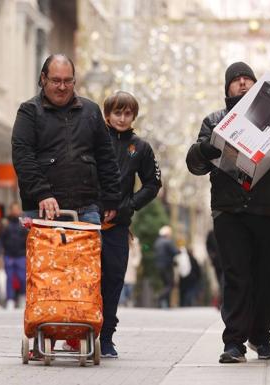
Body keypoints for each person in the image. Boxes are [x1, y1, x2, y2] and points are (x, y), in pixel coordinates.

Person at [186, 61, 270, 363]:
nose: (242, 83)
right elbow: (195, 163)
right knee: (237, 274)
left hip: (269, 209)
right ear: (227, 88)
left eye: (248, 79)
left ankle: (261, 337)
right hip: (229, 211)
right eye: (236, 80)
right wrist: (205, 148)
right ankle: (234, 342)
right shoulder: (215, 120)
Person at [11, 54, 121, 357]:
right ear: (43, 79)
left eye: (68, 81)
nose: (62, 87)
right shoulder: (29, 112)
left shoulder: (90, 111)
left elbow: (106, 158)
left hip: (86, 206)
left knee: (85, 276)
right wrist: (42, 193)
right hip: (43, 209)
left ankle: (78, 331)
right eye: (56, 80)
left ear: (75, 81)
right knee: (45, 277)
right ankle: (39, 336)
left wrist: (111, 198)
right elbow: (23, 157)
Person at [98, 90, 161, 358]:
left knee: (113, 281)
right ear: (107, 115)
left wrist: (129, 205)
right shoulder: (94, 141)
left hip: (118, 226)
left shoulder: (141, 148)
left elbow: (153, 183)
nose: (122, 118)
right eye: (117, 112)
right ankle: (78, 333)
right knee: (87, 280)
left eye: (127, 113)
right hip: (89, 221)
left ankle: (106, 338)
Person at [0, 203, 27, 310]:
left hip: (21, 255)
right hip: (8, 255)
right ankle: (10, 300)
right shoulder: (5, 223)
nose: (15, 211)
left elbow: (28, 239)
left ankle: (23, 296)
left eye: (17, 209)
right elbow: (0, 239)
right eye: (13, 209)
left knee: (22, 278)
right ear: (10, 210)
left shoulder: (23, 223)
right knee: (9, 278)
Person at [154, 225, 179, 309]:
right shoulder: (167, 242)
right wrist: (180, 250)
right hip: (167, 266)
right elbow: (175, 251)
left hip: (159, 266)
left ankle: (166, 304)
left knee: (165, 284)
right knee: (170, 285)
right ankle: (160, 297)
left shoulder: (157, 242)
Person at [120, 234, 142, 307]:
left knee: (129, 286)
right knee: (121, 284)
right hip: (121, 264)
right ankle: (122, 302)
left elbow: (138, 254)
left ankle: (128, 299)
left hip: (130, 266)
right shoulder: (119, 238)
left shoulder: (134, 241)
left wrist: (135, 263)